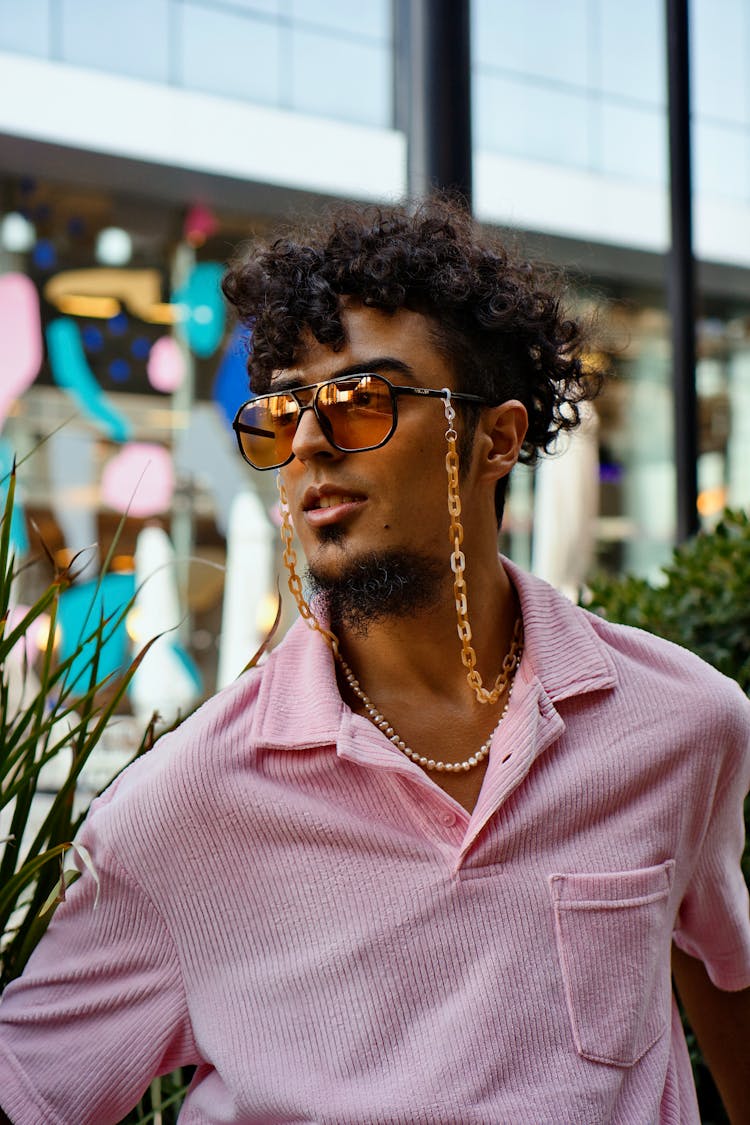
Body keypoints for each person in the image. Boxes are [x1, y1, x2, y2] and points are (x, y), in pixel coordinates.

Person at [1, 199, 748, 1125]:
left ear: (497, 439)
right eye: (285, 412)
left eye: (362, 400)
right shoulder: (180, 810)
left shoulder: (685, 724)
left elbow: (725, 959)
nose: (309, 440)